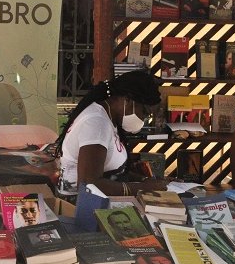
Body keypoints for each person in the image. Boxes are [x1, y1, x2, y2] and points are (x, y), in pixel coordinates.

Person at [54, 69, 168, 198]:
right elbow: (88, 185)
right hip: (79, 206)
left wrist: (144, 180)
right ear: (128, 100)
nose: (144, 119)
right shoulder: (96, 124)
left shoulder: (108, 119)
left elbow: (110, 172)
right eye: (145, 112)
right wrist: (143, 188)